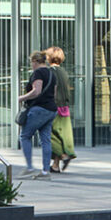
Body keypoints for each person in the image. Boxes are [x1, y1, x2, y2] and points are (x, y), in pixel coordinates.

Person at [17, 50, 58, 178]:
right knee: (45, 140)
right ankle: (45, 171)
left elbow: (36, 91)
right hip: (51, 110)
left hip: (38, 109)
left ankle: (29, 168)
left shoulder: (38, 73)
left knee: (25, 136)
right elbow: (54, 94)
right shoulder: (52, 74)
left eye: (31, 62)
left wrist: (21, 98)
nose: (31, 65)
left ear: (35, 61)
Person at [46, 47, 78, 172]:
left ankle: (64, 155)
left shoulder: (50, 71)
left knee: (48, 133)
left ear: (49, 57)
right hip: (64, 107)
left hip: (54, 106)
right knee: (60, 135)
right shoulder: (63, 72)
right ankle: (55, 165)